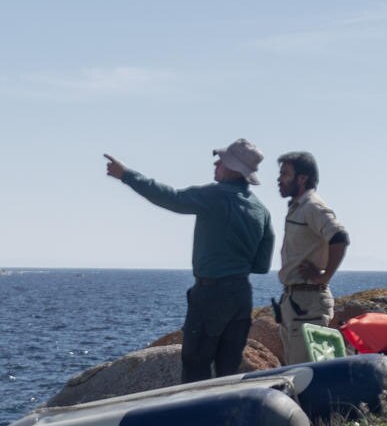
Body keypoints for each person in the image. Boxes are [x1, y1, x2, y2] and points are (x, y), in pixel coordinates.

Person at [106, 136, 276, 380]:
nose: (216, 165)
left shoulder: (215, 196)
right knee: (229, 371)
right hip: (241, 297)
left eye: (220, 161)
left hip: (211, 294)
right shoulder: (261, 210)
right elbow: (261, 265)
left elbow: (171, 198)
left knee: (196, 366)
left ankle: (196, 418)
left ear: (231, 168)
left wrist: (126, 175)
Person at [270, 151, 347, 347]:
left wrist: (324, 276)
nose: (279, 179)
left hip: (308, 303)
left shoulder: (312, 206)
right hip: (295, 302)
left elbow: (339, 237)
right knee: (297, 369)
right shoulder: (298, 207)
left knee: (306, 372)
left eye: (285, 174)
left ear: (302, 178)